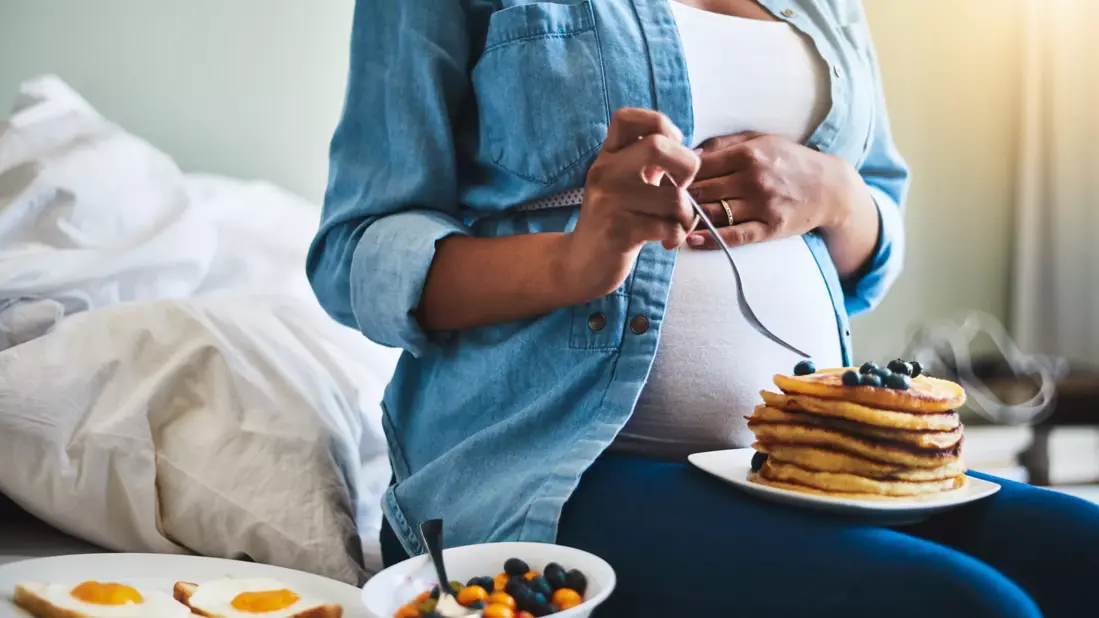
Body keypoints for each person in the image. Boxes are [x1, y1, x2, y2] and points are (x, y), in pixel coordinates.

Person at [308, 0, 1099, 615]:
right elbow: (352, 254)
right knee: (970, 606)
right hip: (556, 468)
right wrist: (573, 260)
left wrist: (834, 193)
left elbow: (872, 230)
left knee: (1083, 552)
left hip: (805, 468)